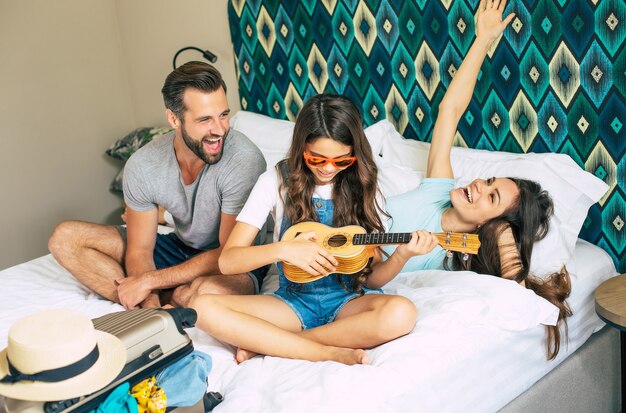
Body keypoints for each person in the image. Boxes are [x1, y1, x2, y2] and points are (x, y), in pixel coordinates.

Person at [190, 93, 440, 365]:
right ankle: (324, 351)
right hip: (293, 303)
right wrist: (285, 250)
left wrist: (402, 256)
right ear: (301, 147)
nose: (329, 169)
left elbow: (371, 279)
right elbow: (228, 261)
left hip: (348, 302)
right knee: (200, 306)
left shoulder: (366, 189)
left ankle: (275, 343)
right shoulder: (275, 181)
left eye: (342, 161)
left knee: (401, 312)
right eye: (317, 159)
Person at [383, 0, 571, 360]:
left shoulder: (453, 250)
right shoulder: (438, 188)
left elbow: (514, 291)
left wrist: (502, 231)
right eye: (487, 181)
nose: (478, 186)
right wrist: (482, 39)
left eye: (491, 197)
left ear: (493, 223)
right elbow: (449, 111)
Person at [48, 61, 267, 309]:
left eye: (224, 115)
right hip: (180, 248)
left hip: (232, 261)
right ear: (174, 119)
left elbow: (229, 253)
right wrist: (150, 302)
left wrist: (149, 280)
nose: (219, 129)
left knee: (204, 293)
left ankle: (173, 297)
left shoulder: (244, 160)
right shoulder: (143, 164)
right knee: (65, 238)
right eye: (205, 119)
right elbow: (140, 249)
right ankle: (161, 303)